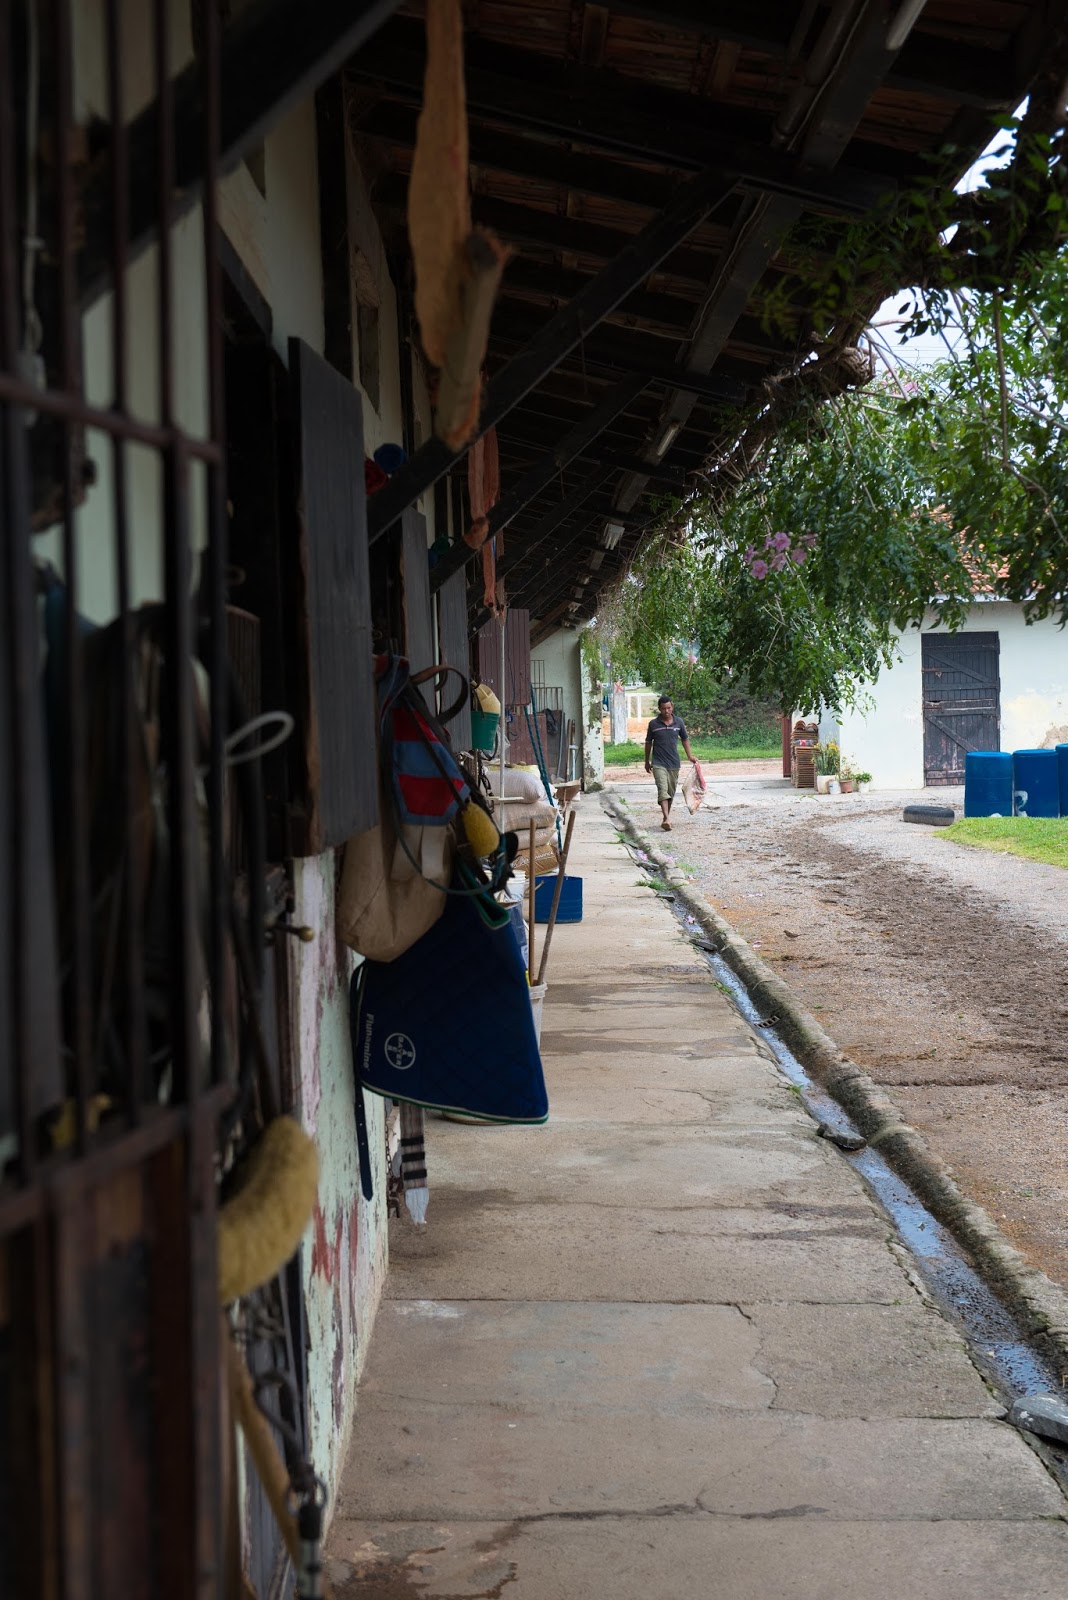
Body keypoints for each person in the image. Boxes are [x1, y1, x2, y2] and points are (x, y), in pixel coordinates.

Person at [644, 696, 694, 831]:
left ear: (672, 707)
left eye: (669, 708)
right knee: (662, 789)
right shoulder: (653, 724)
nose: (667, 711)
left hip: (673, 763)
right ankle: (666, 818)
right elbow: (648, 742)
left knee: (670, 793)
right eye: (664, 708)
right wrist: (646, 760)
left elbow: (685, 739)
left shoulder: (679, 722)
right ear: (659, 709)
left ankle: (666, 817)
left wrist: (690, 756)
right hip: (658, 762)